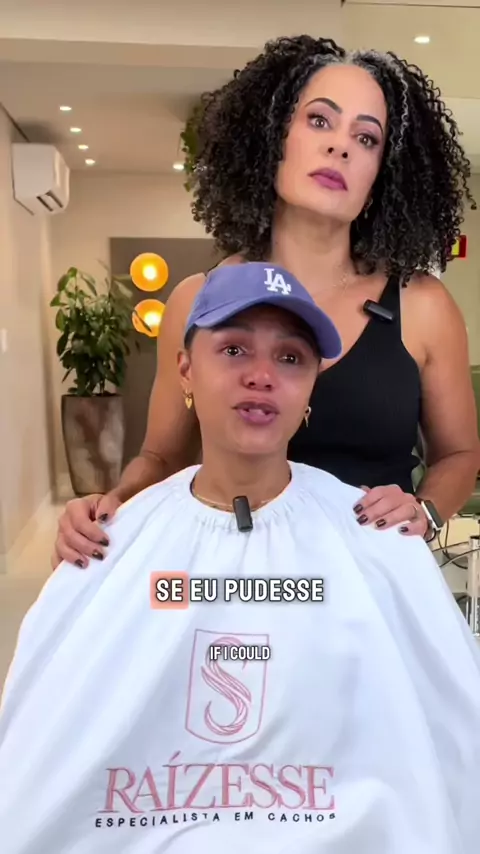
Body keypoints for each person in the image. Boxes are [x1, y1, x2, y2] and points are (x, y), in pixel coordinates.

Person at [2, 262, 480, 854]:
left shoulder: (372, 538)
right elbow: (45, 755)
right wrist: (112, 509)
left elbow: (448, 740)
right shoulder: (117, 544)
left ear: (311, 387)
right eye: (233, 350)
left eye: (290, 358)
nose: (261, 376)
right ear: (185, 368)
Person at [52, 36, 479, 571]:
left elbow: (459, 454)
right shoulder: (195, 302)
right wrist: (110, 506)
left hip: (372, 580)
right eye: (320, 121)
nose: (340, 147)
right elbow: (162, 457)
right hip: (239, 578)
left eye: (366, 138)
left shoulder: (423, 307)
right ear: (274, 140)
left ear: (379, 179)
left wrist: (425, 510)